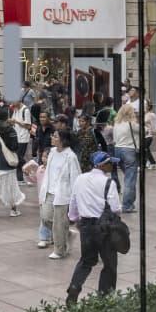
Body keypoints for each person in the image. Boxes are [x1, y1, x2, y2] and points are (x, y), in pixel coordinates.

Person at [66, 153, 124, 300]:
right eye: (110, 163)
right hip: (105, 228)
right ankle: (104, 298)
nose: (112, 166)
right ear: (102, 165)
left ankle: (74, 287)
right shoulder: (109, 183)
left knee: (86, 261)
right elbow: (116, 208)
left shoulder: (80, 179)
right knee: (109, 263)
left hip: (85, 226)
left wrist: (73, 218)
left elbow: (73, 201)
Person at [41, 129, 80, 259]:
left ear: (63, 140)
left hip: (63, 194)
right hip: (49, 191)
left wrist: (75, 198)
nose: (52, 137)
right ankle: (67, 233)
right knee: (46, 218)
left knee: (59, 223)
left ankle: (60, 251)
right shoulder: (52, 153)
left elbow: (75, 177)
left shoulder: (71, 156)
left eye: (55, 136)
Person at [0, 105, 25, 218]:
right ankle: (13, 210)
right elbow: (14, 146)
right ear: (7, 117)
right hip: (7, 163)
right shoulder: (10, 129)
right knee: (11, 187)